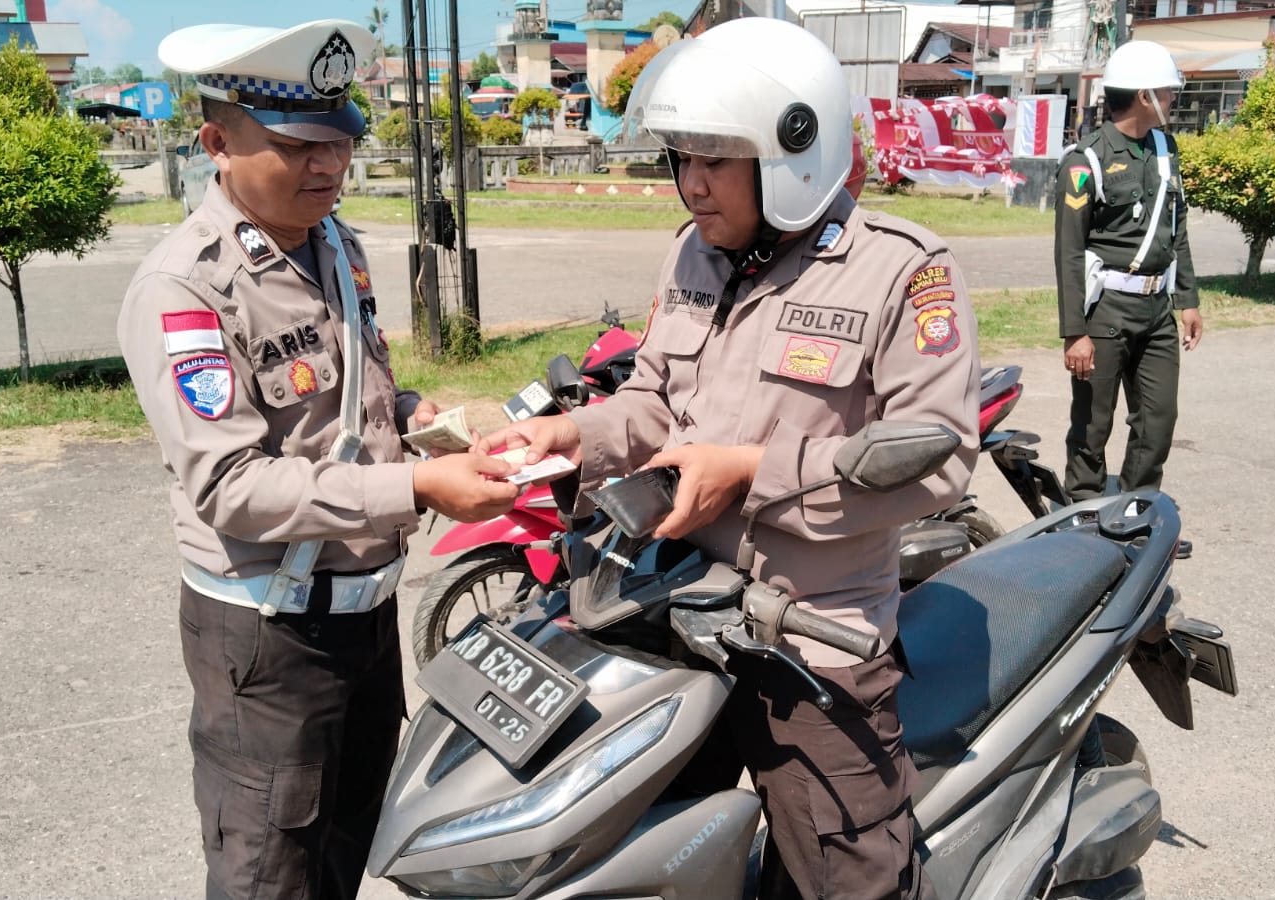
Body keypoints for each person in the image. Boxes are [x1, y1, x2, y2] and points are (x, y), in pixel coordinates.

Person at [479, 18, 979, 900]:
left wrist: (751, 471)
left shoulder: (901, 271)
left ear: (794, 155)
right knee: (641, 864)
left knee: (851, 881)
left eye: (715, 157)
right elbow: (654, 400)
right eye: (681, 156)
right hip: (677, 614)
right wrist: (577, 436)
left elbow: (938, 458)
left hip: (812, 640)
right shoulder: (694, 252)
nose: (691, 183)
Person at [116, 20, 519, 900]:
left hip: (365, 619)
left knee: (345, 849)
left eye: (339, 139)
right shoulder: (186, 287)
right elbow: (231, 486)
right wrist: (418, 484)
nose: (329, 164)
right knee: (270, 872)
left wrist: (425, 422)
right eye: (298, 146)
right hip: (271, 638)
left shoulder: (335, 246)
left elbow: (358, 399)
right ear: (218, 144)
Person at [1054, 40, 1203, 511]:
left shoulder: (1165, 149)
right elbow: (1069, 251)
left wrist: (1188, 299)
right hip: (1106, 312)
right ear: (1144, 96)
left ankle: (1137, 507)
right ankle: (1082, 511)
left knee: (1157, 420)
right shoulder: (1085, 160)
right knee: (1092, 423)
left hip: (1157, 310)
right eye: (1168, 91)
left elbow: (1175, 227)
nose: (1173, 99)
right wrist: (1074, 332)